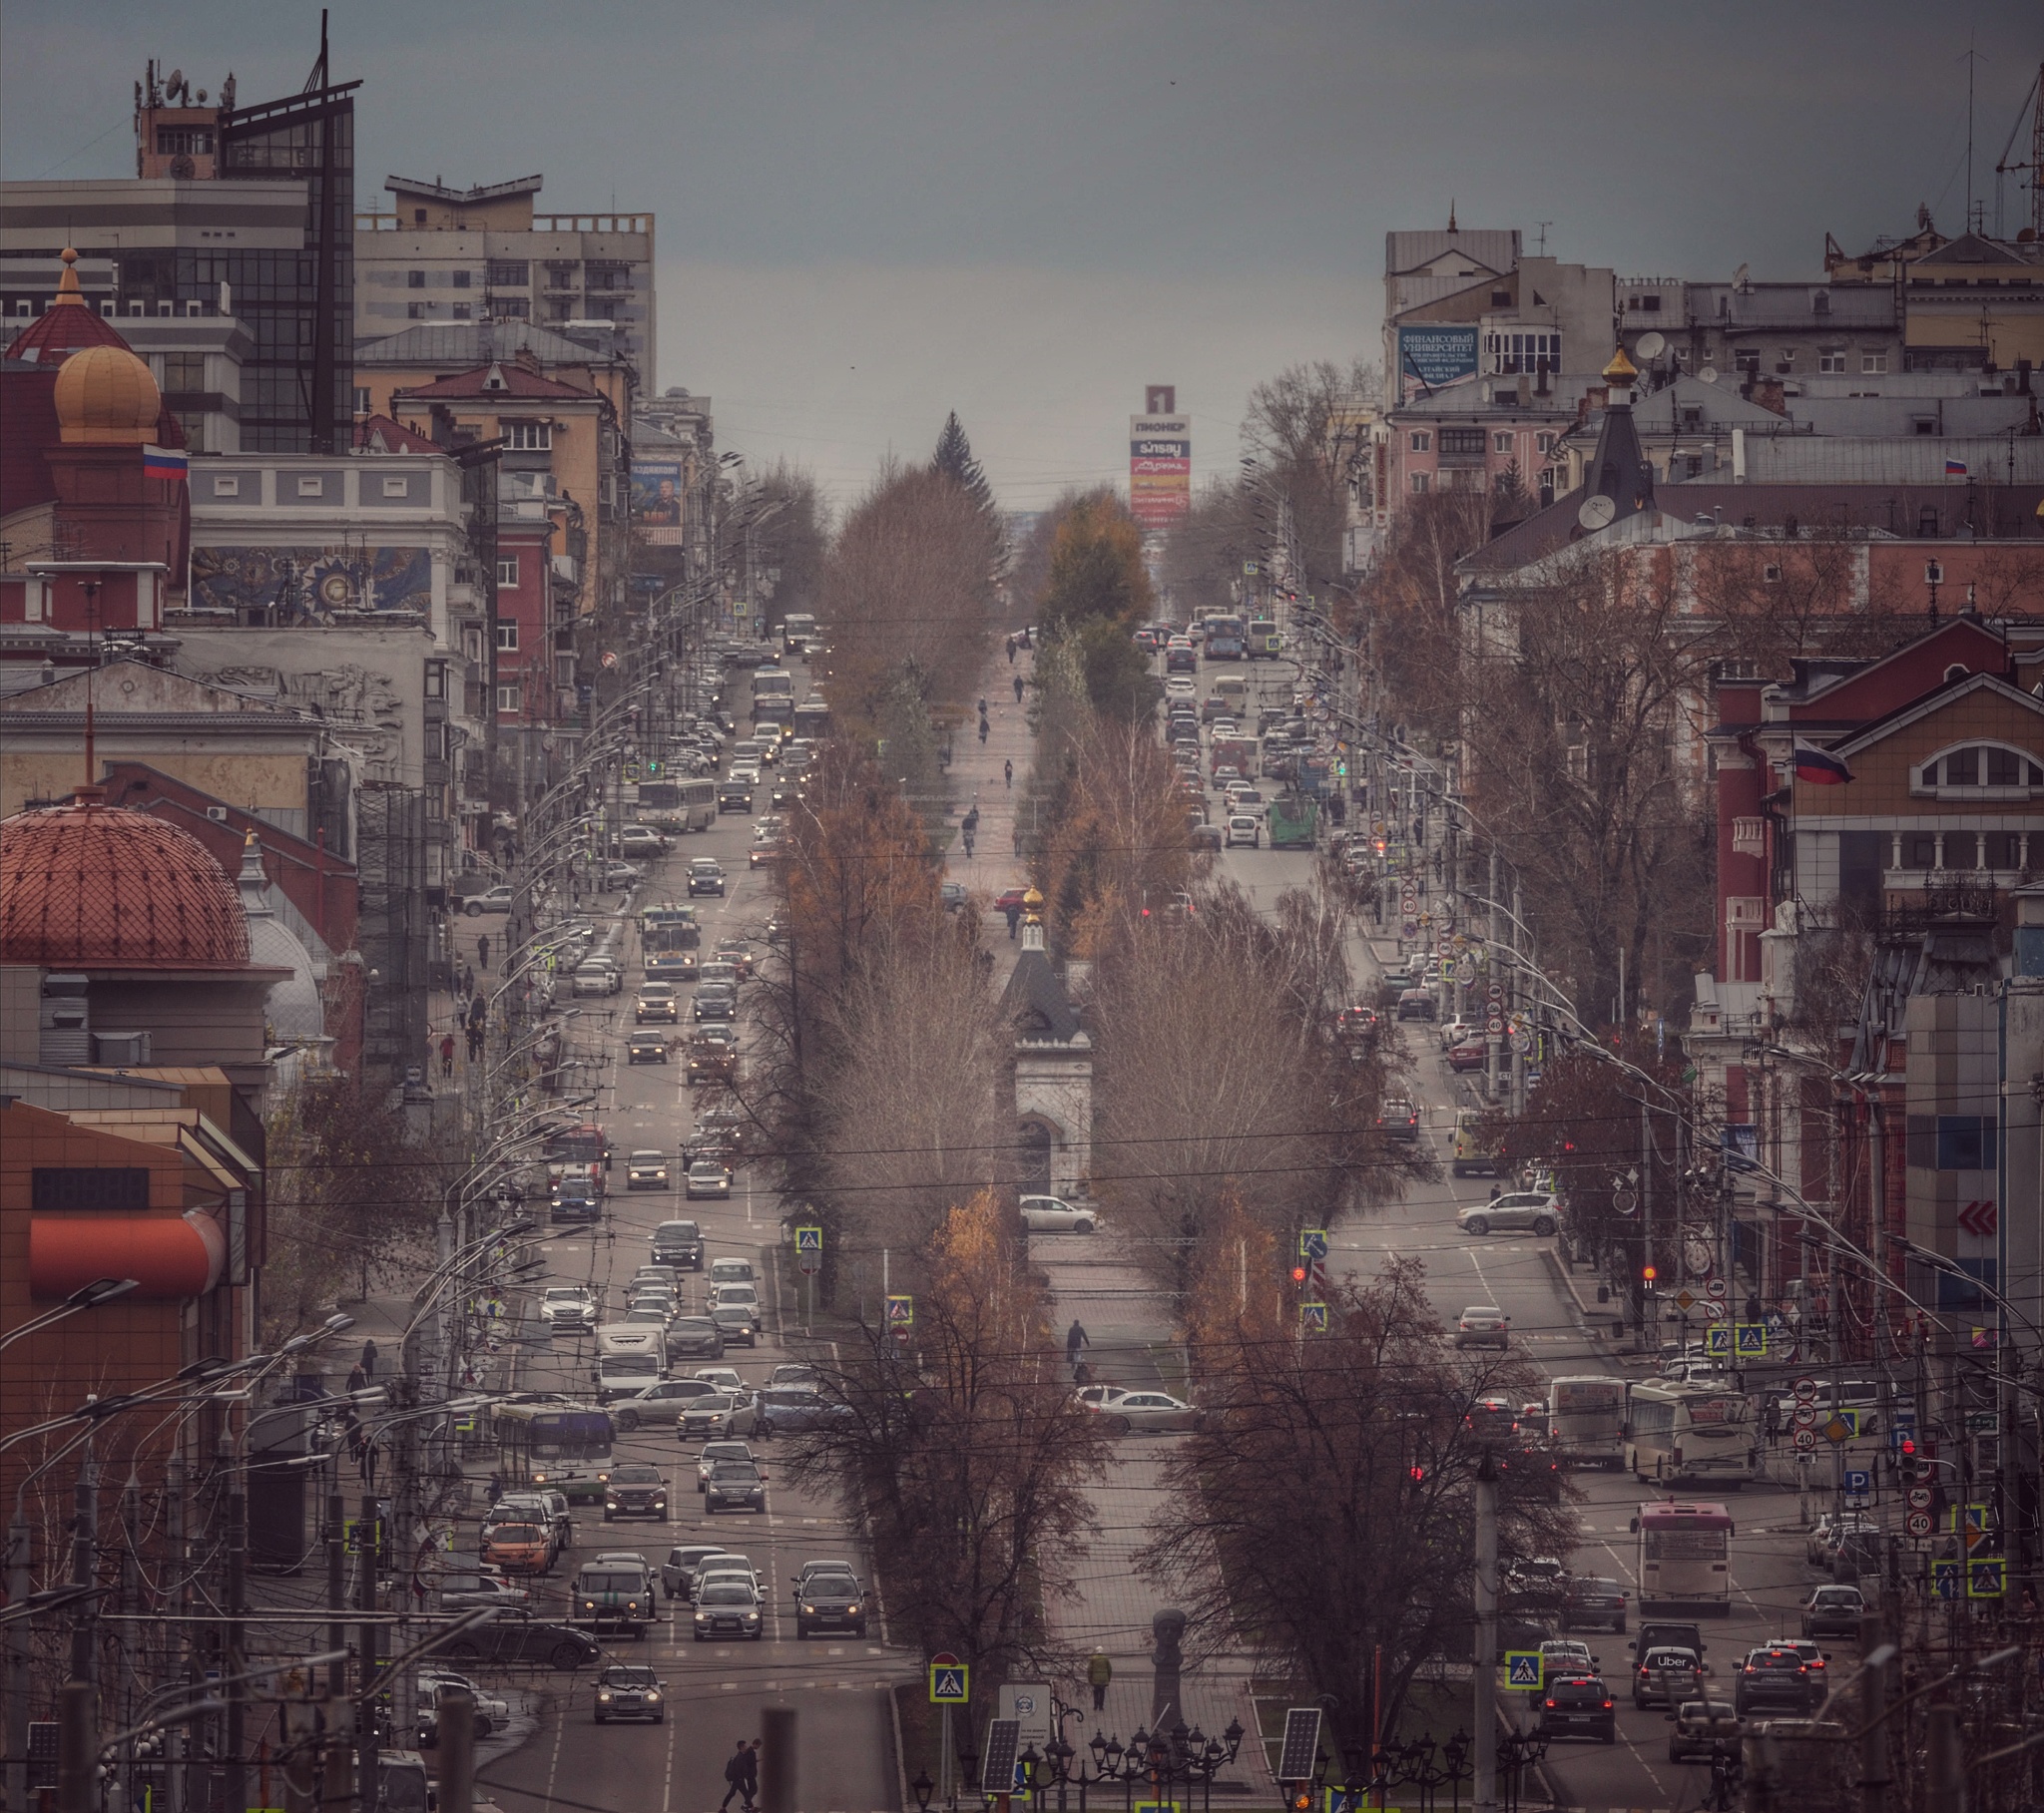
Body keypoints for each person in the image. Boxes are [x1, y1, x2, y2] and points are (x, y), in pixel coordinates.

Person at [720, 1740, 752, 1812]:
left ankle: (722, 1808)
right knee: (744, 1794)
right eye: (745, 1746)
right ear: (741, 1747)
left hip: (738, 1779)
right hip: (739, 1779)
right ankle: (752, 1809)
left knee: (733, 1793)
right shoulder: (740, 1757)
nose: (746, 1747)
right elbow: (739, 1769)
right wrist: (742, 1777)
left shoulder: (740, 1756)